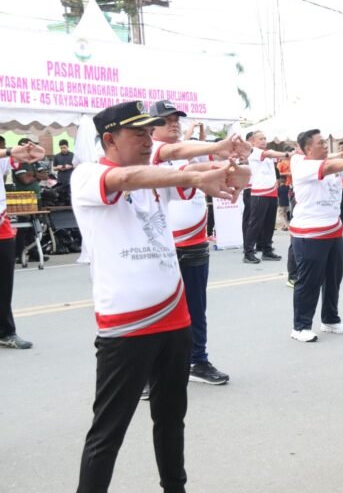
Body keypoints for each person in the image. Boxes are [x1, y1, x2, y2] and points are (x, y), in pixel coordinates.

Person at [72, 101, 249, 492]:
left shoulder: (156, 179)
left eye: (150, 133)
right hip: (127, 327)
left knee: (171, 419)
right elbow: (128, 179)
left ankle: (175, 486)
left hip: (175, 318)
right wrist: (202, 168)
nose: (148, 141)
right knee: (109, 430)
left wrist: (228, 168)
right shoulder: (87, 175)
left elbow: (203, 174)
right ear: (108, 139)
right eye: (138, 133)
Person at [149, 100, 250, 386]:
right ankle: (150, 368)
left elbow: (204, 164)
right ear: (150, 127)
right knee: (157, 307)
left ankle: (197, 360)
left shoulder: (185, 154)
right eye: (166, 120)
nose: (174, 124)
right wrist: (215, 147)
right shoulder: (153, 151)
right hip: (162, 245)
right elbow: (177, 151)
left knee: (195, 307)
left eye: (176, 119)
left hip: (193, 241)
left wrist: (234, 160)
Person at [288, 129, 343, 342]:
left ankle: (330, 319)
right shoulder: (302, 165)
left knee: (333, 279)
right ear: (308, 148)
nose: (326, 147)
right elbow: (328, 166)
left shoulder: (331, 164)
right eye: (321, 143)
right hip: (310, 233)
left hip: (333, 230)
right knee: (308, 282)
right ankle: (300, 326)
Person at [0, 140, 45, 349]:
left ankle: (6, 332)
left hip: (1, 222)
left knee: (4, 282)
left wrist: (31, 151)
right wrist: (11, 151)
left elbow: (17, 160)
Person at [243, 130, 290, 263]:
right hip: (259, 193)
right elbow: (270, 154)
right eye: (260, 139)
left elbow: (274, 159)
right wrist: (287, 154)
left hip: (271, 192)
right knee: (255, 224)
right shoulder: (255, 152)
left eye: (265, 138)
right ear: (252, 141)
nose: (263, 141)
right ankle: (248, 253)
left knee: (269, 224)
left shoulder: (267, 153)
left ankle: (267, 250)